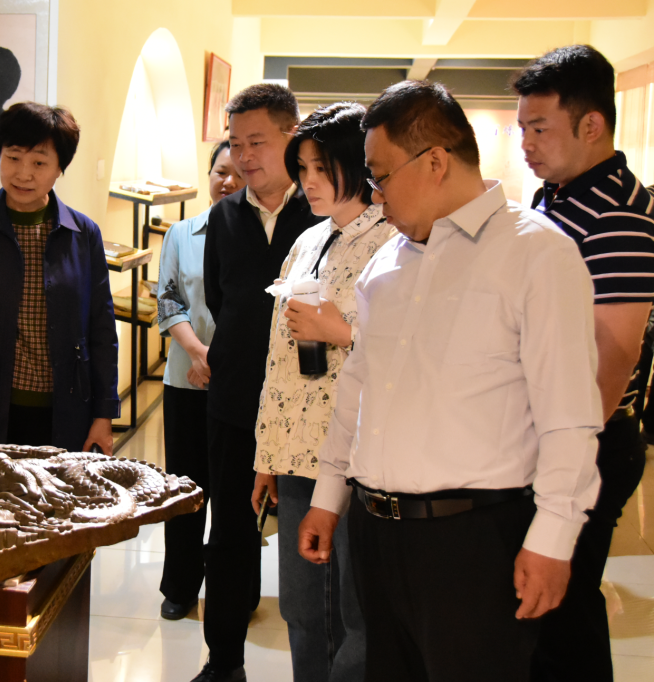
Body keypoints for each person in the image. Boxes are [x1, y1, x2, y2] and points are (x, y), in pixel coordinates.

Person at [298, 81, 602, 682]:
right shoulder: (388, 262)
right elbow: (358, 387)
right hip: (377, 533)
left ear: (435, 161)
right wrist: (328, 497)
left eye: (381, 176)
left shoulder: (537, 252)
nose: (376, 196)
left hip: (472, 542)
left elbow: (568, 415)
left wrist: (553, 538)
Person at [512, 45, 654, 682]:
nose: (526, 144)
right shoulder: (556, 197)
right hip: (551, 435)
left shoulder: (617, 212)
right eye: (523, 129)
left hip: (588, 442)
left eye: (539, 129)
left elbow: (613, 356)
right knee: (547, 615)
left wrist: (560, 460)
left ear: (591, 124)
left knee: (560, 616)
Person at [251, 102, 388, 681]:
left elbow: (411, 353)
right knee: (302, 608)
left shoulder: (392, 239)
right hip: (295, 453)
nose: (308, 181)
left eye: (321, 168)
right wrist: (267, 457)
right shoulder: (308, 239)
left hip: (356, 456)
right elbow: (279, 360)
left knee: (353, 613)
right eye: (302, 168)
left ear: (358, 165)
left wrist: (342, 331)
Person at [196, 83, 317, 682]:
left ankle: (317, 665)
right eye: (236, 143)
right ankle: (223, 662)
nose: (244, 157)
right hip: (236, 399)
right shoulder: (224, 216)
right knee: (229, 533)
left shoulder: (321, 211)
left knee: (307, 535)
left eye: (257, 142)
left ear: (291, 137)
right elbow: (222, 301)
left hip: (307, 405)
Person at [0, 102, 119, 454]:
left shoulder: (83, 233)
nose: (23, 174)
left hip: (65, 412)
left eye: (39, 163)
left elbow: (102, 331)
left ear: (60, 168)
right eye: (13, 158)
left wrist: (104, 414)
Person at [155, 139, 245, 621]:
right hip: (186, 381)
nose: (228, 181)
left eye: (239, 173)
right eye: (220, 171)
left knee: (234, 496)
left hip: (239, 385)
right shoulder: (182, 233)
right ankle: (180, 586)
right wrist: (196, 352)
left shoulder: (257, 235)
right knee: (185, 489)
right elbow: (169, 299)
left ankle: (236, 591)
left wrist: (223, 360)